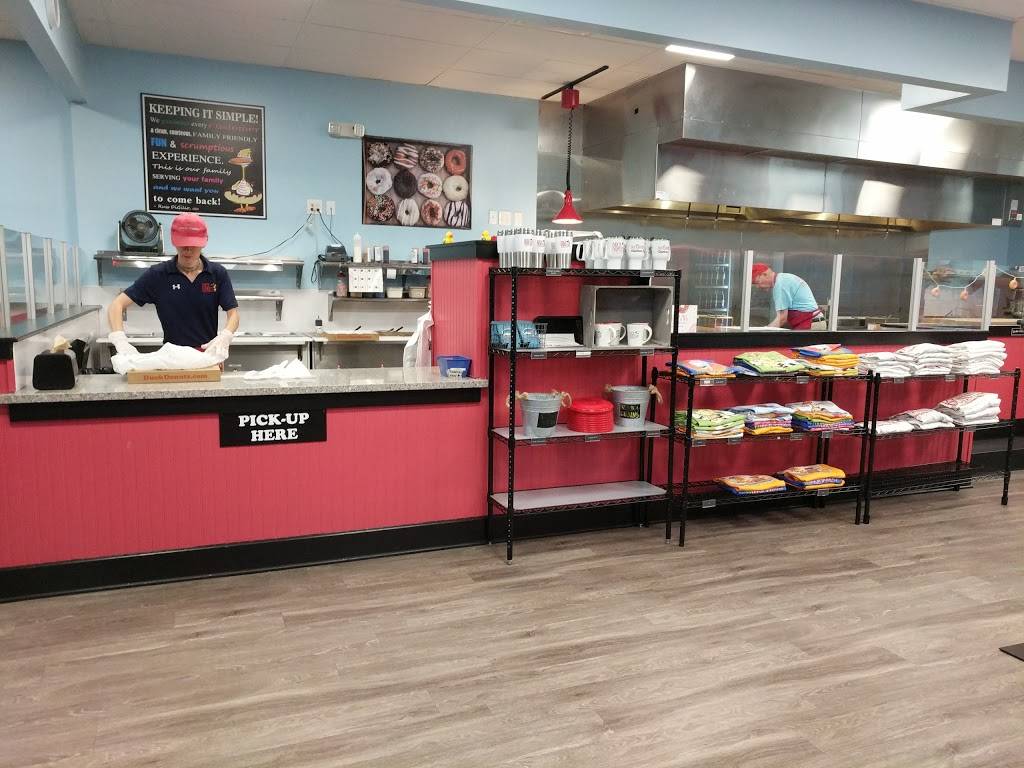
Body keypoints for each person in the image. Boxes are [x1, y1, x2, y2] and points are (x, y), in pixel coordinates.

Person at [107, 212, 239, 359]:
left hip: (208, 356)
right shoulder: (158, 275)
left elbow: (233, 314)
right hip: (172, 357)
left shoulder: (217, 274)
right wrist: (119, 339)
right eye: (182, 242)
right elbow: (117, 304)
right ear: (174, 241)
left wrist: (226, 335)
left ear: (204, 241)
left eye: (193, 243)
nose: (187, 249)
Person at [751, 262, 826, 330]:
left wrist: (764, 331)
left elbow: (782, 319)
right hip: (814, 323)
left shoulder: (780, 285)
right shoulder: (784, 278)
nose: (758, 286)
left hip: (810, 324)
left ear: (764, 274)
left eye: (757, 282)